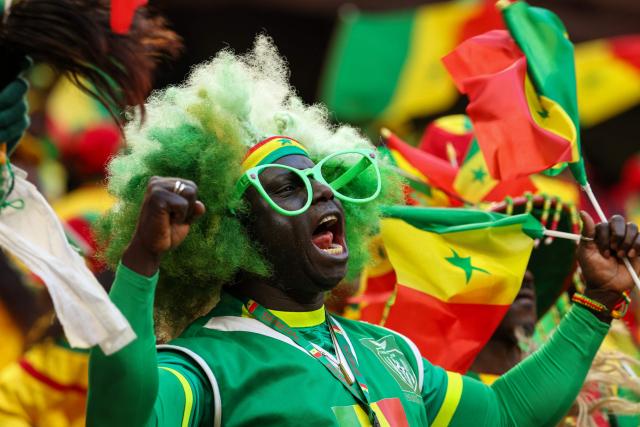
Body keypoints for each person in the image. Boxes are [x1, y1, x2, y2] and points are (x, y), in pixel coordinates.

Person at [87, 38, 639, 427]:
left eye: (329, 178)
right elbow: (122, 420)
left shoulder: (384, 350)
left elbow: (505, 414)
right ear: (227, 233)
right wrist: (141, 263)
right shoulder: (207, 367)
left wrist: (597, 301)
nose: (325, 193)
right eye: (288, 188)